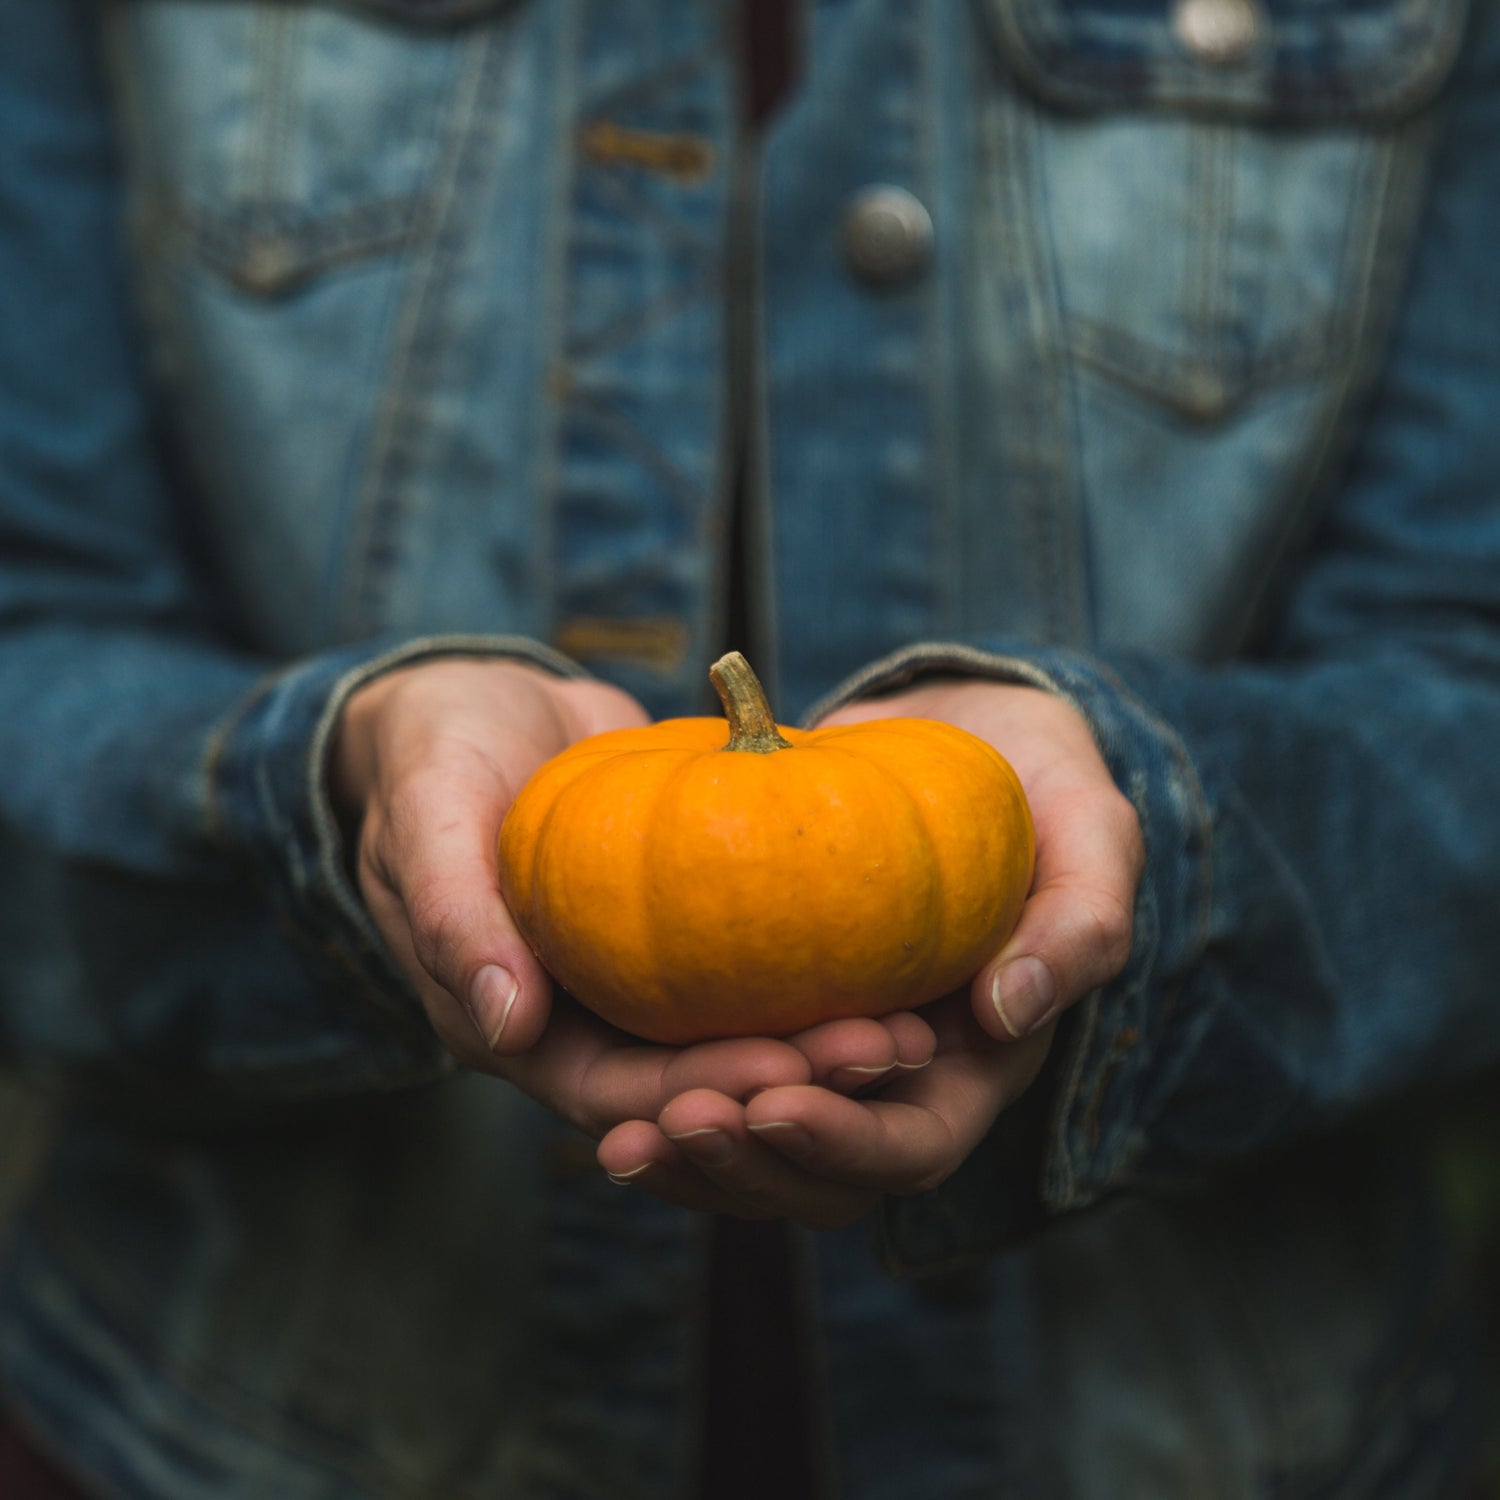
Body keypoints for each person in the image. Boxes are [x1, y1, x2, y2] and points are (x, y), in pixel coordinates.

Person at [1, 0, 1497, 1495]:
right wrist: (335, 783)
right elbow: (38, 617)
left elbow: (1463, 677)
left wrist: (1148, 820)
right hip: (242, 1426)